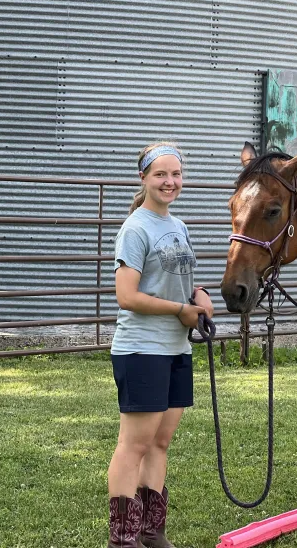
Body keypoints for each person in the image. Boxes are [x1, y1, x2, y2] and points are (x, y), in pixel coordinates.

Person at [107, 142, 213, 548]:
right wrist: (178, 311)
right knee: (134, 445)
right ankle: (123, 538)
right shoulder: (135, 228)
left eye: (176, 174)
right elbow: (127, 296)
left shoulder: (179, 226)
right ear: (144, 179)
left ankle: (152, 531)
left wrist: (200, 296)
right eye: (160, 175)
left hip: (175, 348)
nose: (170, 182)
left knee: (160, 442)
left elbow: (181, 282)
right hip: (142, 349)